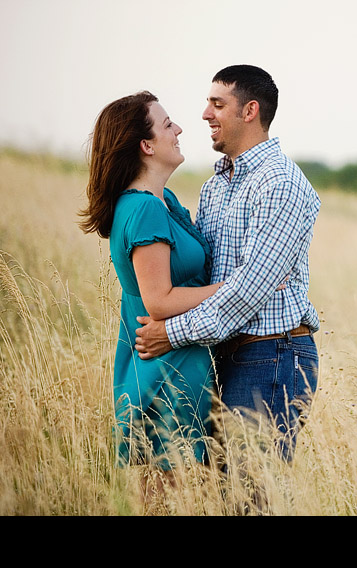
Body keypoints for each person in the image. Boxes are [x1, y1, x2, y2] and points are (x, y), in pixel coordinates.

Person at [134, 65, 321, 462]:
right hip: (220, 354)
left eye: (217, 104)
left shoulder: (280, 183)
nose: (204, 114)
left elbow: (248, 292)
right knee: (219, 493)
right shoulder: (216, 185)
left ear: (250, 111)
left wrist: (172, 333)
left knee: (251, 496)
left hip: (269, 355)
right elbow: (209, 276)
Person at [79, 91, 222, 483]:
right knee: (169, 498)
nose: (178, 129)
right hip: (164, 373)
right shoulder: (142, 209)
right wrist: (235, 288)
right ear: (146, 145)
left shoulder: (164, 201)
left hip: (179, 367)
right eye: (166, 124)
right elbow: (159, 301)